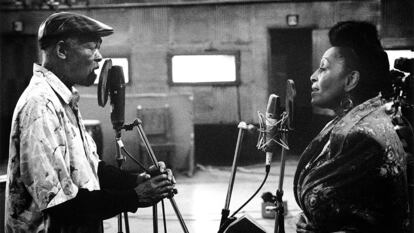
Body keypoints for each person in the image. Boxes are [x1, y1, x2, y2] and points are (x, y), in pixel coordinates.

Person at [5, 12, 175, 233]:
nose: (98, 57)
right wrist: (135, 197)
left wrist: (137, 180)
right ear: (62, 50)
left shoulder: (64, 99)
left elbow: (93, 169)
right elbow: (62, 205)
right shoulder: (40, 105)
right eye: (92, 47)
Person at [293, 21, 411, 233]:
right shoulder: (348, 121)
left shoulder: (362, 135)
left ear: (351, 80)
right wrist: (313, 218)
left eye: (323, 67)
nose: (313, 76)